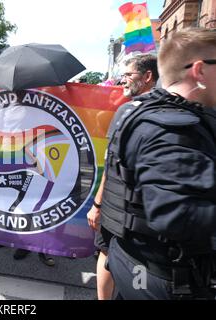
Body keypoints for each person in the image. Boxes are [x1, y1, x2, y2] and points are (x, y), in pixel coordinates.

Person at [101, 28, 216, 300]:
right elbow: (177, 213)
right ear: (199, 70)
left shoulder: (136, 110)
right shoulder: (173, 128)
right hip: (166, 278)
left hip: (135, 264)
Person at [87, 54, 158, 299]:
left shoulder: (128, 111)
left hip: (119, 206)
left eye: (128, 75)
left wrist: (97, 204)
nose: (122, 80)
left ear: (148, 77)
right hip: (147, 211)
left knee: (108, 252)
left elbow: (111, 165)